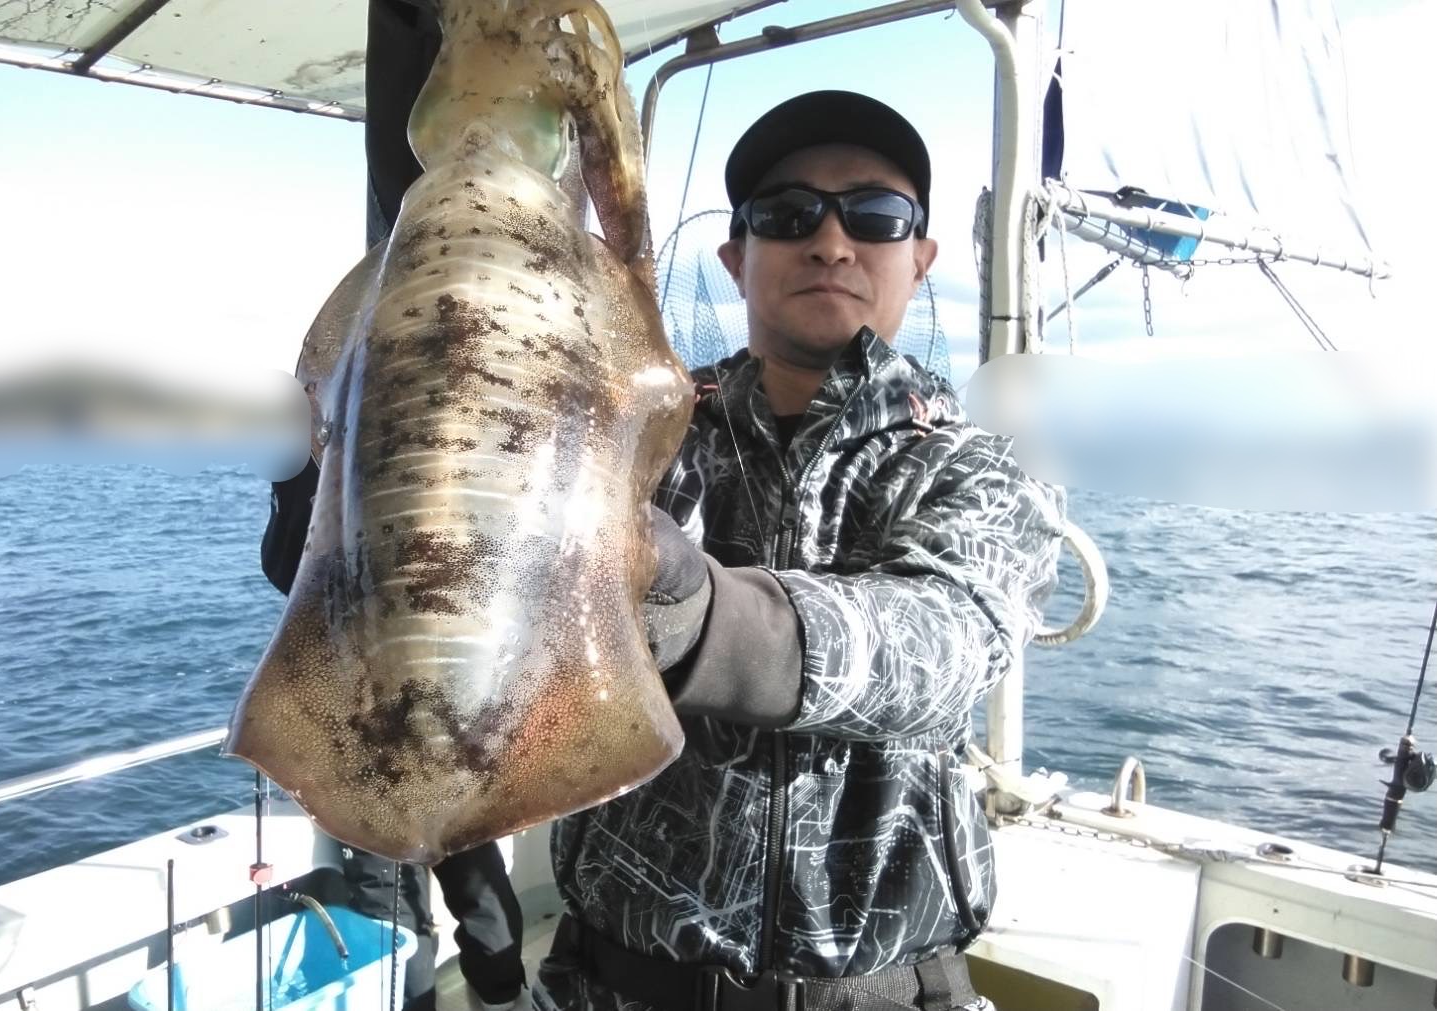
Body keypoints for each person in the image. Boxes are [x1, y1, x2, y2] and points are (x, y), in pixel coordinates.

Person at [535, 90, 1066, 1011]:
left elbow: (938, 646)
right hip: (609, 983)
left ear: (920, 258)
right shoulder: (628, 438)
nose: (830, 242)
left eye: (875, 215)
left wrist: (700, 616)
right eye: (787, 215)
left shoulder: (980, 468)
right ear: (735, 259)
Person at [261, 459, 530, 1011]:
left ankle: (473, 997)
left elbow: (287, 572)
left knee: (398, 904)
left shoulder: (326, 469)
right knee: (469, 883)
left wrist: (296, 477)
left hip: (377, 728)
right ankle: (500, 998)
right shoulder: (435, 473)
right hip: (447, 719)